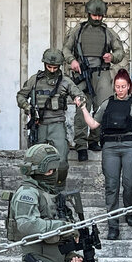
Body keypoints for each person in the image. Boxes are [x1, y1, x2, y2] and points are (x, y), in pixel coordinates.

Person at [78, 69, 132, 240]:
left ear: (129, 87)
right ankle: (113, 225)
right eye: (117, 86)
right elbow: (94, 124)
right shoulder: (107, 104)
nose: (120, 90)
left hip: (130, 146)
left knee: (130, 183)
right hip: (110, 147)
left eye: (123, 86)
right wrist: (83, 108)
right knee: (111, 186)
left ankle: (130, 213)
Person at [63, 0, 126, 161]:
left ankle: (95, 140)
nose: (97, 18)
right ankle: (81, 145)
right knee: (82, 109)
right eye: (94, 15)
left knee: (102, 109)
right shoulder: (78, 30)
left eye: (100, 16)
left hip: (102, 74)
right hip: (83, 74)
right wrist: (72, 61)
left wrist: (112, 56)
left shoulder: (108, 32)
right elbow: (66, 49)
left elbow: (120, 52)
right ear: (88, 14)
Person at [17, 48, 86, 188]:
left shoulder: (65, 81)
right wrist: (27, 107)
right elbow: (21, 96)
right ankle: (35, 189)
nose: (53, 70)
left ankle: (59, 190)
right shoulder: (35, 80)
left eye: (55, 67)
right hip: (39, 124)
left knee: (61, 162)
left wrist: (79, 100)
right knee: (35, 160)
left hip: (57, 124)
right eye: (49, 67)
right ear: (44, 64)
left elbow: (79, 95)